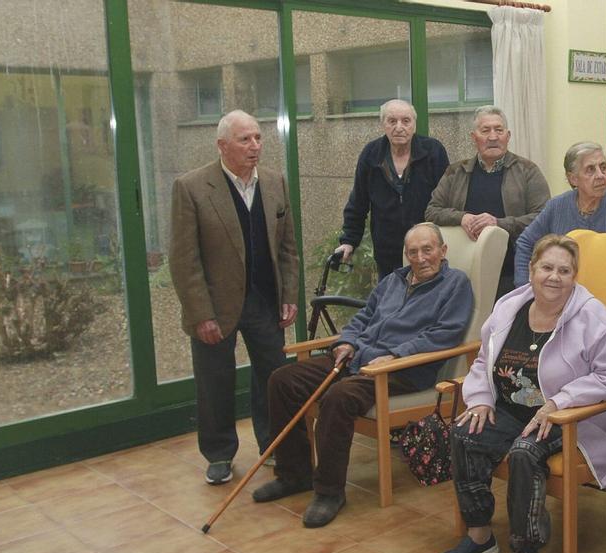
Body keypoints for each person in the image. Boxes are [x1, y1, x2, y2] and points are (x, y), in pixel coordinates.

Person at [436, 234, 606, 553]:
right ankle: (479, 535)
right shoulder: (510, 307)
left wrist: (561, 401)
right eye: (547, 267)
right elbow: (483, 360)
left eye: (564, 270)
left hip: (569, 416)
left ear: (575, 276)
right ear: (532, 270)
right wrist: (479, 399)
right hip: (511, 407)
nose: (554, 277)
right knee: (465, 433)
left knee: (525, 452)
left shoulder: (593, 317)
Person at [251, 223, 473, 527]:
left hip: (403, 370)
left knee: (338, 397)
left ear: (443, 251)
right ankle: (294, 475)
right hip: (359, 358)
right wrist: (345, 342)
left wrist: (397, 354)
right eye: (413, 252)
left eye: (428, 250)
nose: (421, 258)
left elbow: (446, 334)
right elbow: (363, 318)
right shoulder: (392, 281)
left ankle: (329, 492)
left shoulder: (455, 285)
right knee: (283, 380)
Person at [169, 109, 300, 486]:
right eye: (245, 140)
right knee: (214, 383)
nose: (255, 146)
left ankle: (273, 446)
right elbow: (184, 259)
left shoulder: (275, 182)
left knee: (273, 378)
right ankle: (219, 454)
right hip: (215, 307)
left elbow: (287, 247)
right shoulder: (192, 187)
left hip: (264, 302)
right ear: (222, 145)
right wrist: (200, 314)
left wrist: (288, 294)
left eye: (258, 138)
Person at [426, 105, 551, 299]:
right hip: (463, 273)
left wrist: (499, 223)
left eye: (499, 130)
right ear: (474, 137)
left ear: (508, 136)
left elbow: (544, 217)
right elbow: (432, 211)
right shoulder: (455, 172)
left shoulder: (528, 171)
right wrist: (462, 218)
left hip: (513, 272)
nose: (493, 137)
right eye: (485, 130)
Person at [336, 99, 450, 280]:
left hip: (427, 253)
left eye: (406, 121)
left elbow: (447, 201)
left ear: (414, 124)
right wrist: (349, 241)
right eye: (392, 121)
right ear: (383, 125)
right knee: (391, 304)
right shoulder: (371, 155)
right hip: (387, 254)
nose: (399, 127)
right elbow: (358, 202)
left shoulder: (433, 152)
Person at [512, 141, 606, 285]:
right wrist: (524, 289)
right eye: (590, 170)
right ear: (573, 179)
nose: (600, 175)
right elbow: (525, 243)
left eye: (603, 167)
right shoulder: (557, 206)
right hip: (564, 296)